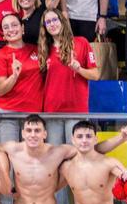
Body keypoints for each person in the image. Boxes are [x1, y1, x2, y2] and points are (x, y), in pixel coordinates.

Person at [38, 8, 99, 144]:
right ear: (45, 27)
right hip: (52, 110)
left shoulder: (81, 43)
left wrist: (79, 69)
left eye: (55, 20)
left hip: (76, 109)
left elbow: (95, 75)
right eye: (48, 22)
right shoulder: (44, 49)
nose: (52, 24)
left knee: (75, 154)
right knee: (55, 154)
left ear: (62, 21)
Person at [0, 12, 42, 148]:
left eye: (14, 25)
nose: (11, 29)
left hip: (33, 113)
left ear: (23, 28)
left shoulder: (37, 50)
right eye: (6, 27)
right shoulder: (0, 55)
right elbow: (0, 90)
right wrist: (14, 76)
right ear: (3, 34)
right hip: (8, 114)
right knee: (9, 156)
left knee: (32, 158)